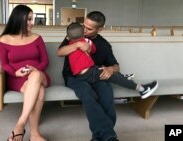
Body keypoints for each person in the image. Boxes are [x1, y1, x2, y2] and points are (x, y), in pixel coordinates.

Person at [57, 11, 158, 141]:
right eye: (84, 25)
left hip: (96, 75)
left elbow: (116, 66)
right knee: (87, 94)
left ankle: (97, 137)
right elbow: (60, 52)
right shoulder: (74, 35)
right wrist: (77, 44)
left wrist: (110, 69)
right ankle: (108, 136)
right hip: (73, 77)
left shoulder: (104, 45)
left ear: (100, 29)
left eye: (89, 28)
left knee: (106, 93)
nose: (84, 30)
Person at [0, 5, 50, 141]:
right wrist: (16, 73)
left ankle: (20, 125)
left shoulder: (37, 38)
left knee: (36, 75)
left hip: (40, 74)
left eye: (32, 19)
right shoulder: (4, 40)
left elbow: (45, 61)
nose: (32, 23)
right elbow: (4, 65)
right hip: (17, 78)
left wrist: (35, 69)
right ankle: (35, 135)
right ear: (17, 19)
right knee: (40, 91)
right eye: (28, 20)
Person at [66, 22, 158, 99]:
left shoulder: (69, 44)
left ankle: (122, 76)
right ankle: (142, 89)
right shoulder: (85, 41)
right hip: (90, 73)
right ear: (82, 34)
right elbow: (93, 50)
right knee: (112, 75)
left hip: (79, 75)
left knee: (103, 68)